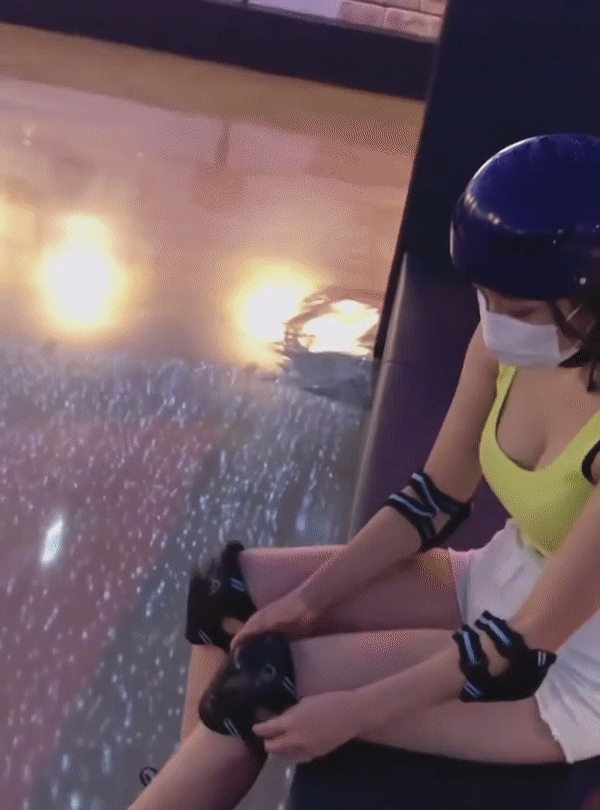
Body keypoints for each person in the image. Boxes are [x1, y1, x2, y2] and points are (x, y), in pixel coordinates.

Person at [130, 133, 600, 810]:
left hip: (568, 676)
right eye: (484, 297)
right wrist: (309, 600)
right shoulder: (508, 344)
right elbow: (433, 501)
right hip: (498, 579)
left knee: (265, 684)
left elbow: (521, 649)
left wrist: (353, 712)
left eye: (519, 309)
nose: (495, 322)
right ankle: (195, 778)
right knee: (225, 593)